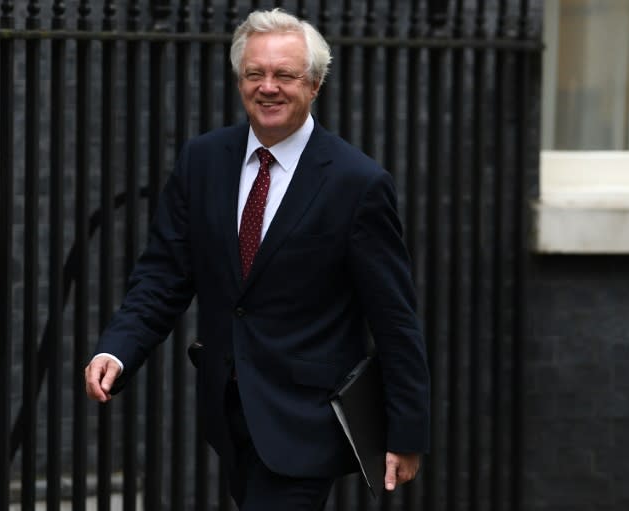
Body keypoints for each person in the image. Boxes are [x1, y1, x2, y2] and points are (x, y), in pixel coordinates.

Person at [85, 8, 430, 511]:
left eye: (284, 75)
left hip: (305, 420)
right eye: (255, 74)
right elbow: (163, 274)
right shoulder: (203, 161)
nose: (268, 87)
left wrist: (406, 431)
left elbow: (395, 316)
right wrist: (117, 349)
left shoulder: (357, 183)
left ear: (314, 85)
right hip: (228, 414)